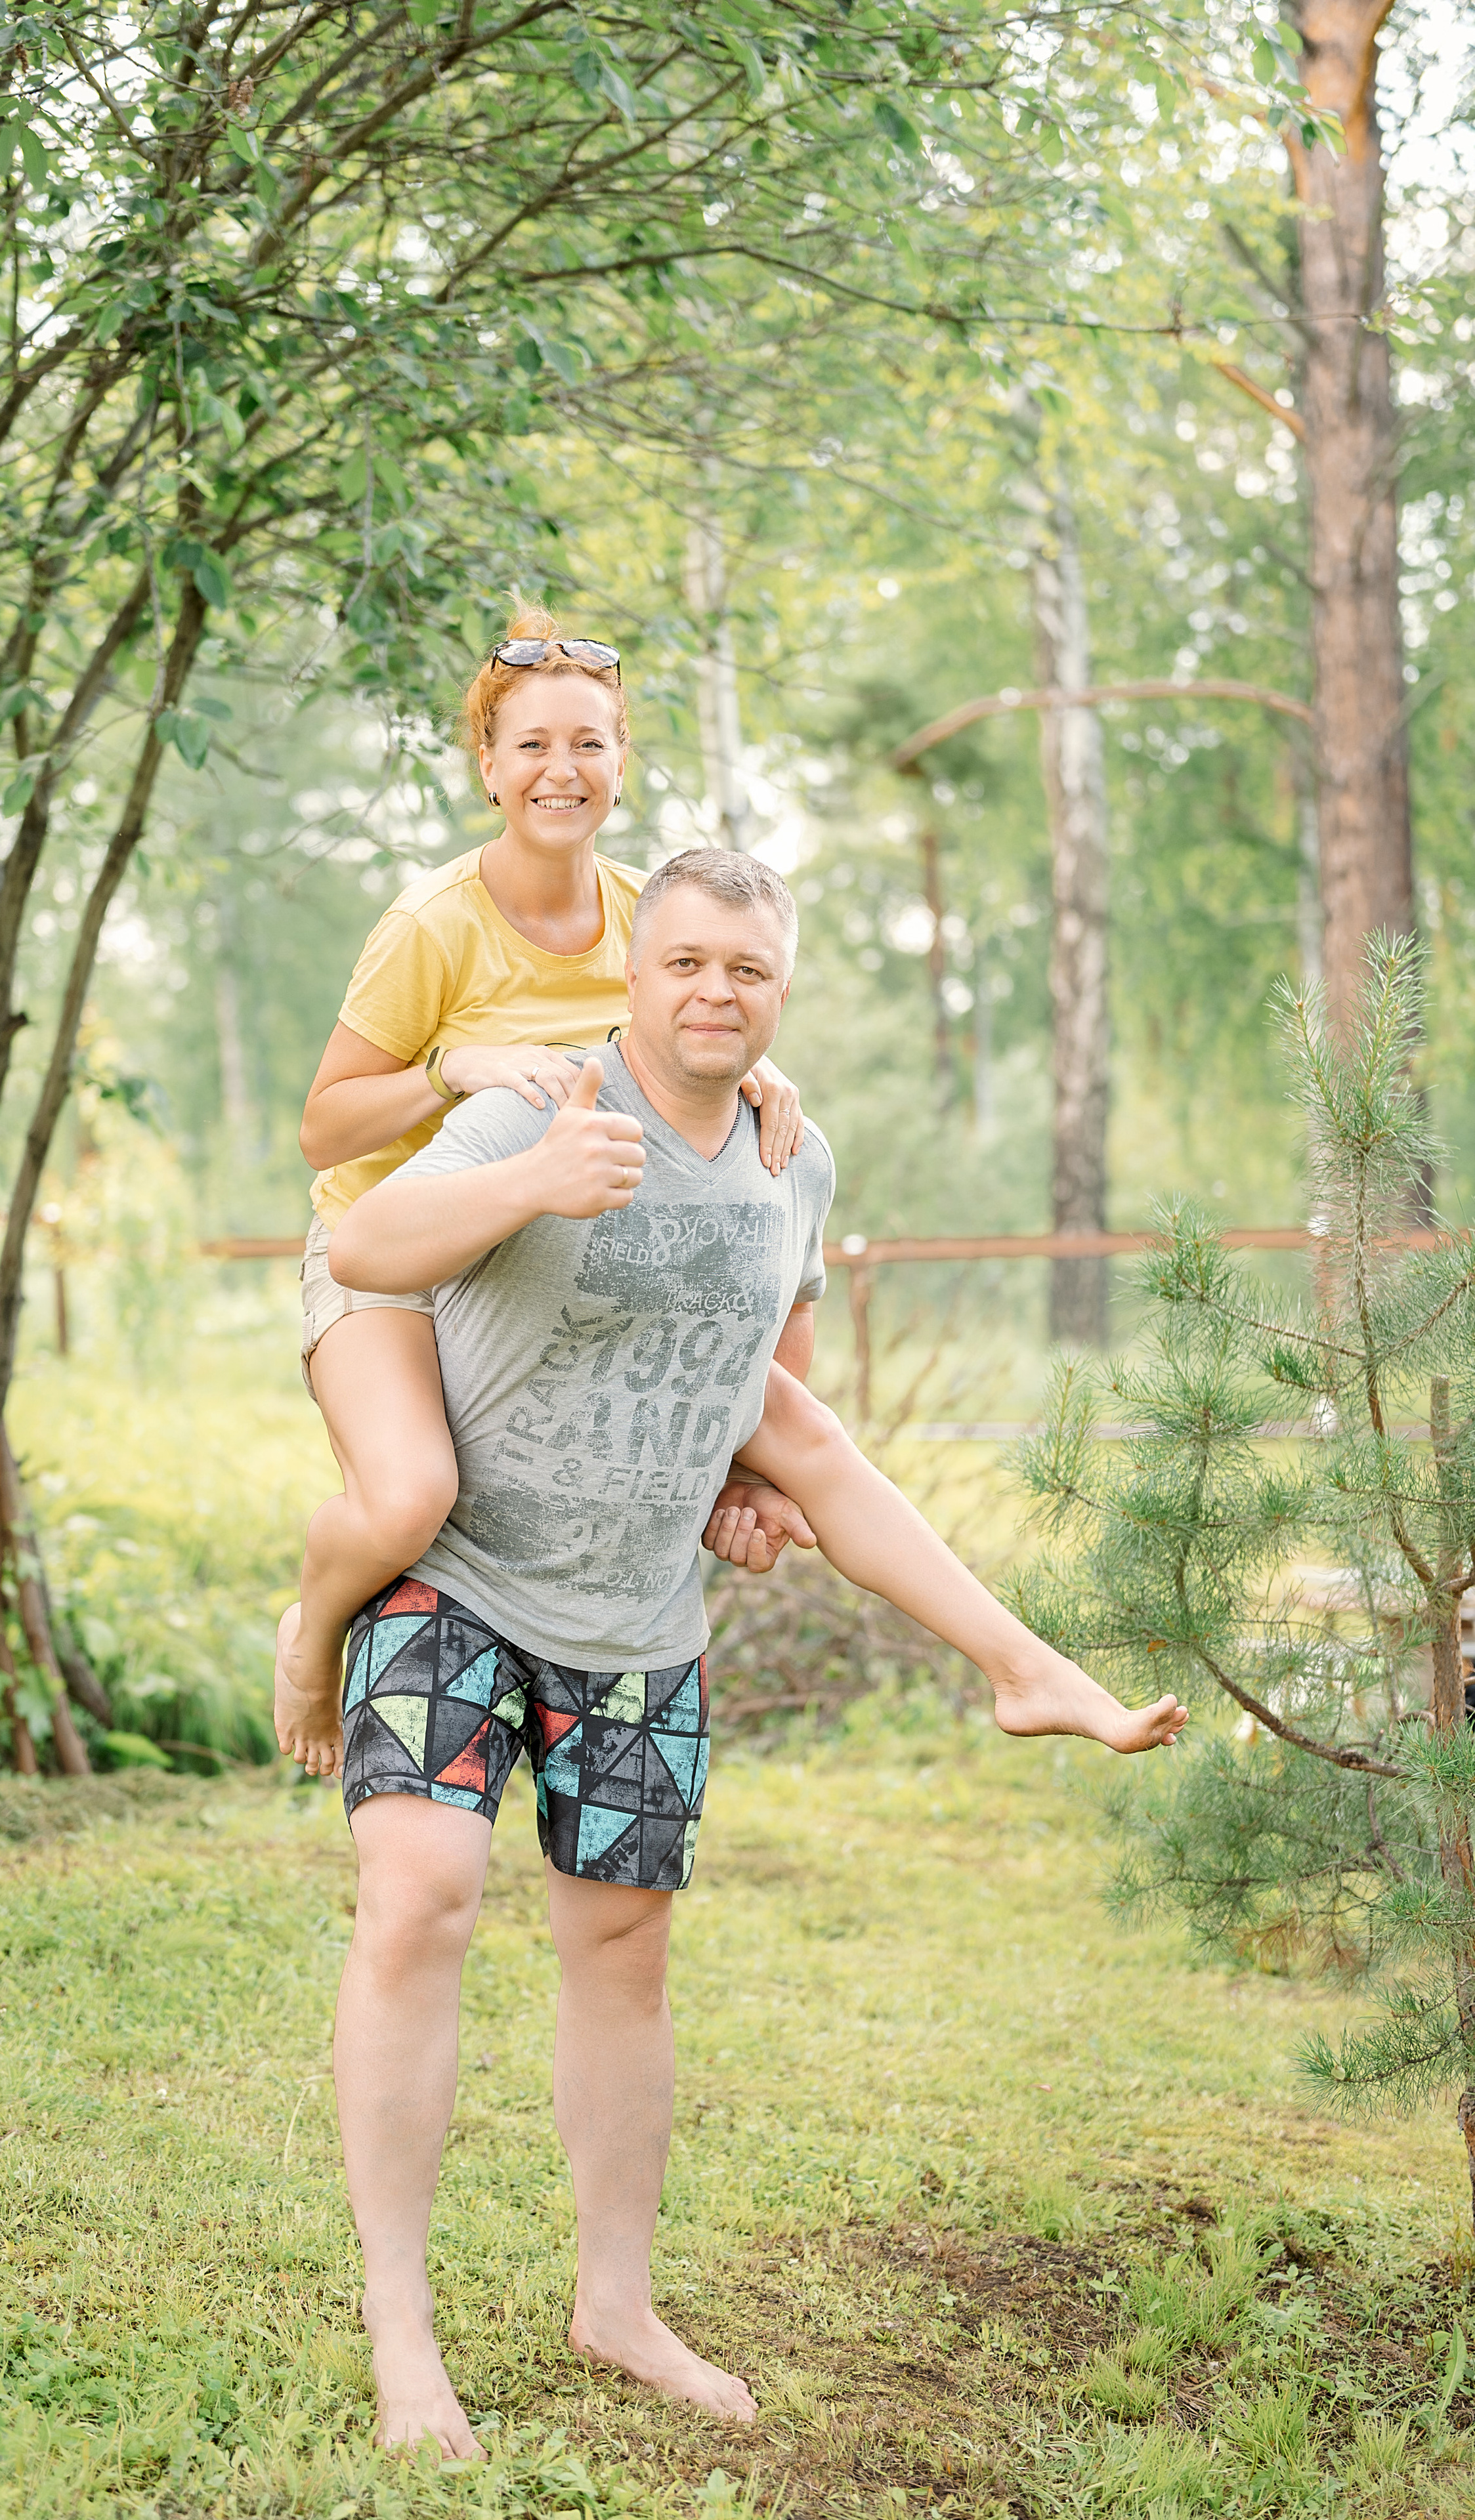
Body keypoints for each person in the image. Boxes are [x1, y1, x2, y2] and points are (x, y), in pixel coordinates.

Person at [324, 847, 1188, 2458]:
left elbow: (770, 1372)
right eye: (686, 965)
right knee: (420, 1902)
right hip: (456, 1579)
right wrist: (523, 1182)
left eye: (749, 970)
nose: (715, 992)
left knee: (622, 1954)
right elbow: (367, 1252)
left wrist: (734, 1480)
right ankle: (402, 2331)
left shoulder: (796, 1161)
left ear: (780, 990)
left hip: (639, 1619)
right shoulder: (544, 1111)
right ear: (633, 978)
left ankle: (616, 2305)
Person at [276, 612, 805, 1780]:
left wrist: (753, 1067)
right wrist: (445, 1070)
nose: (560, 771)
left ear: (621, 763)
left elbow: (682, 1032)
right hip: (394, 1249)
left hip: (535, 1267)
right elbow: (323, 1126)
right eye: (530, 746)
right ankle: (312, 1637)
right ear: (488, 766)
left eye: (588, 745)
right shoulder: (434, 925)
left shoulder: (647, 918)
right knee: (412, 1495)